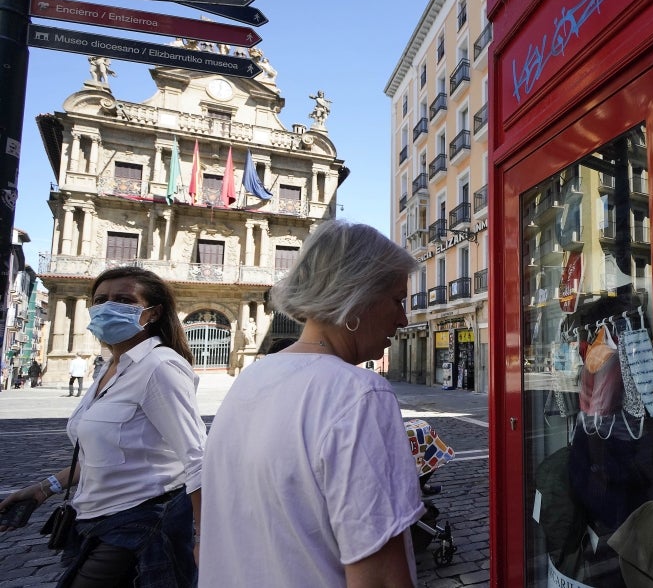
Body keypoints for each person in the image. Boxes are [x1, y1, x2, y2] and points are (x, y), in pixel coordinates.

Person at [199, 220, 424, 588]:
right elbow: (380, 578)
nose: (402, 319)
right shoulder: (360, 394)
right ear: (358, 295)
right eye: (397, 301)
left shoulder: (251, 379)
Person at [0, 267, 206, 588]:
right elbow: (102, 455)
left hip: (141, 523)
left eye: (123, 300)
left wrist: (202, 537)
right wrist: (43, 489)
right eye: (100, 300)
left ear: (153, 312)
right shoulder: (111, 367)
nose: (108, 306)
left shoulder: (160, 367)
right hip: (92, 521)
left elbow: (197, 458)